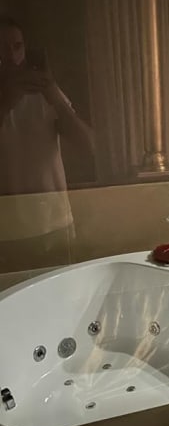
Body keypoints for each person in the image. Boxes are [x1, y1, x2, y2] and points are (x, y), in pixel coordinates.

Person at [0, 15, 93, 271]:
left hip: (54, 223)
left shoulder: (44, 94)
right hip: (6, 233)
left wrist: (53, 95)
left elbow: (88, 146)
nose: (11, 56)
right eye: (2, 48)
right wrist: (6, 102)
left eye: (17, 46)